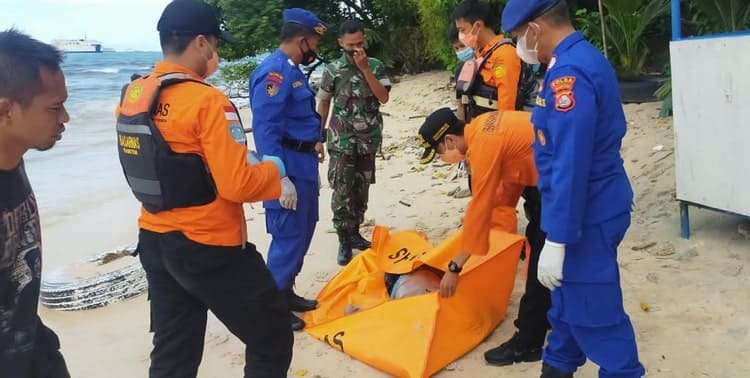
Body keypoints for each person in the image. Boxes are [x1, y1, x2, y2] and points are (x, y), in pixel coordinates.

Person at [115, 1, 293, 376]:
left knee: (174, 351)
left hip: (154, 239)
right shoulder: (209, 102)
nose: (216, 53)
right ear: (201, 42)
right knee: (272, 336)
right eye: (215, 43)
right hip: (209, 246)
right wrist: (274, 173)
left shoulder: (134, 96)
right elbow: (238, 184)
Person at [502, 1, 646, 377]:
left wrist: (559, 238)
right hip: (582, 208)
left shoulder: (571, 74)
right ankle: (557, 369)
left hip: (586, 214)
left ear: (534, 29)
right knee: (566, 309)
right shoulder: (571, 61)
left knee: (598, 316)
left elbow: (570, 161)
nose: (519, 45)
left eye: (518, 37)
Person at [417, 108, 550, 366]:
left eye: (441, 152)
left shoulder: (482, 147)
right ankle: (546, 316)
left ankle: (529, 342)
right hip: (548, 173)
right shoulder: (480, 125)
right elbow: (503, 190)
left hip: (559, 177)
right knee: (539, 241)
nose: (445, 157)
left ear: (449, 140)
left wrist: (455, 267)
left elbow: (480, 208)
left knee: (540, 260)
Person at [249, 8, 327, 330]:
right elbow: (266, 128)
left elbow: (298, 119)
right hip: (286, 165)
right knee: (288, 234)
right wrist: (277, 176)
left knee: (304, 229)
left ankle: (286, 290)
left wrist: (313, 144)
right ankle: (272, 305)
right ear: (302, 39)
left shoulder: (291, 71)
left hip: (302, 161)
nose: (317, 51)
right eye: (315, 44)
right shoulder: (274, 73)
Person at [0, 28, 70, 378]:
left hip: (34, 349)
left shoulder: (13, 158)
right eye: (54, 108)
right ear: (5, 111)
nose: (65, 119)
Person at [316, 19, 391, 266]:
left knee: (361, 188)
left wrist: (365, 69)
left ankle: (356, 232)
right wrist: (319, 134)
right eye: (351, 45)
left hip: (367, 139)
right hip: (341, 139)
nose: (356, 49)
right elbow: (324, 102)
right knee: (342, 190)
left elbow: (383, 98)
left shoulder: (376, 66)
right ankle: (343, 239)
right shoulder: (332, 70)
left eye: (360, 43)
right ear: (340, 43)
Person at [452, 0, 522, 121]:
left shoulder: (504, 54)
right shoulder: (480, 54)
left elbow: (506, 108)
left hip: (494, 128)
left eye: (462, 30)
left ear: (478, 26)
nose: (460, 36)